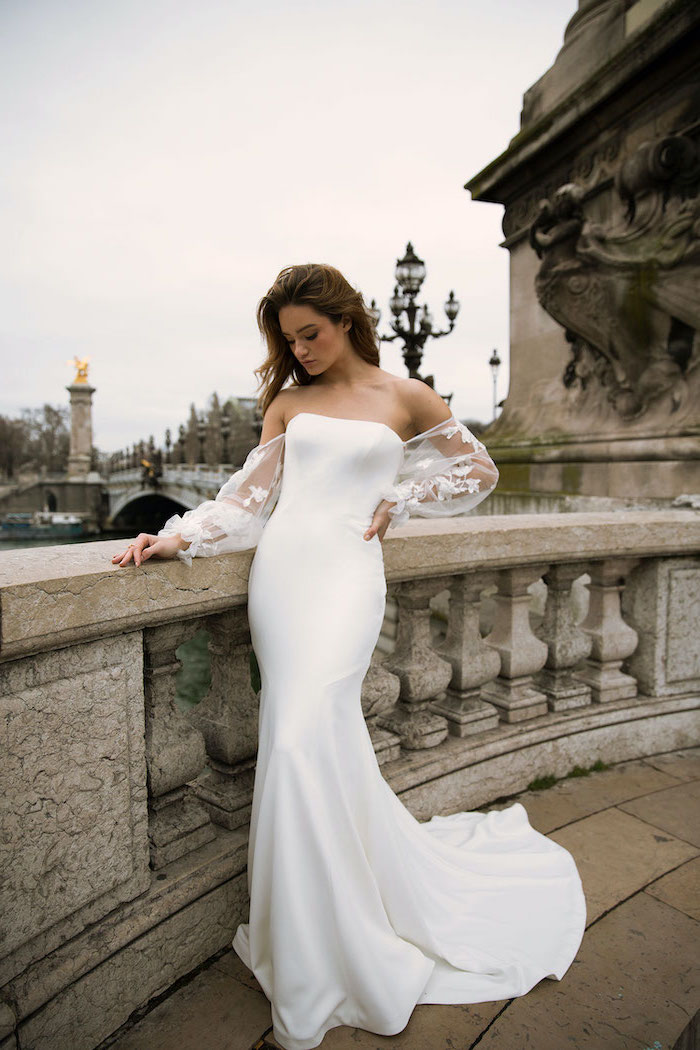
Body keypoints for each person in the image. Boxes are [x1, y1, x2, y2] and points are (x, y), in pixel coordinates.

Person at [111, 263, 586, 1050]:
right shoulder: (288, 403)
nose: (300, 350)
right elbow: (246, 500)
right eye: (288, 339)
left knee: (301, 739)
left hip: (346, 583)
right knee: (304, 747)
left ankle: (329, 940)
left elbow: (479, 468)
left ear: (348, 321)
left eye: (311, 333)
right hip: (284, 579)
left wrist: (405, 495)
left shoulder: (407, 396)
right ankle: (313, 933)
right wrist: (173, 538)